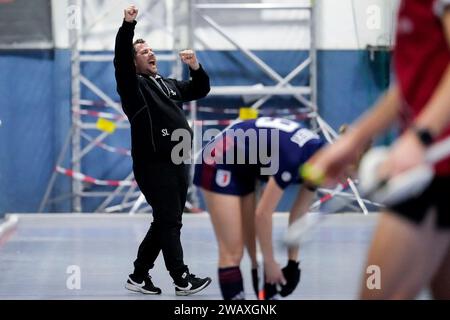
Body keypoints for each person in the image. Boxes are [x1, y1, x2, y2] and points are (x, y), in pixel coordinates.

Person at [302, 0, 450, 299]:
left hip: (435, 165)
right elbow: (411, 85)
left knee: (377, 291)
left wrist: (419, 137)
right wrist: (353, 141)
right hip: (433, 168)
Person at [114, 5, 211, 296]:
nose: (150, 54)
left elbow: (199, 89)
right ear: (134, 64)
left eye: (151, 51)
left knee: (166, 220)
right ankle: (181, 279)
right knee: (170, 221)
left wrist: (195, 67)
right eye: (143, 53)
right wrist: (128, 25)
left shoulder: (166, 84)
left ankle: (139, 276)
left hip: (178, 162)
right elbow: (120, 58)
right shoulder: (134, 88)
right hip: (154, 165)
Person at [193, 117, 326, 299]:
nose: (342, 182)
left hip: (244, 164)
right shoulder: (295, 157)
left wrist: (292, 262)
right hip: (219, 159)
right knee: (232, 252)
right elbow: (263, 214)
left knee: (256, 255)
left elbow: (300, 213)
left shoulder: (322, 156)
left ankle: (261, 281)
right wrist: (270, 263)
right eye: (346, 176)